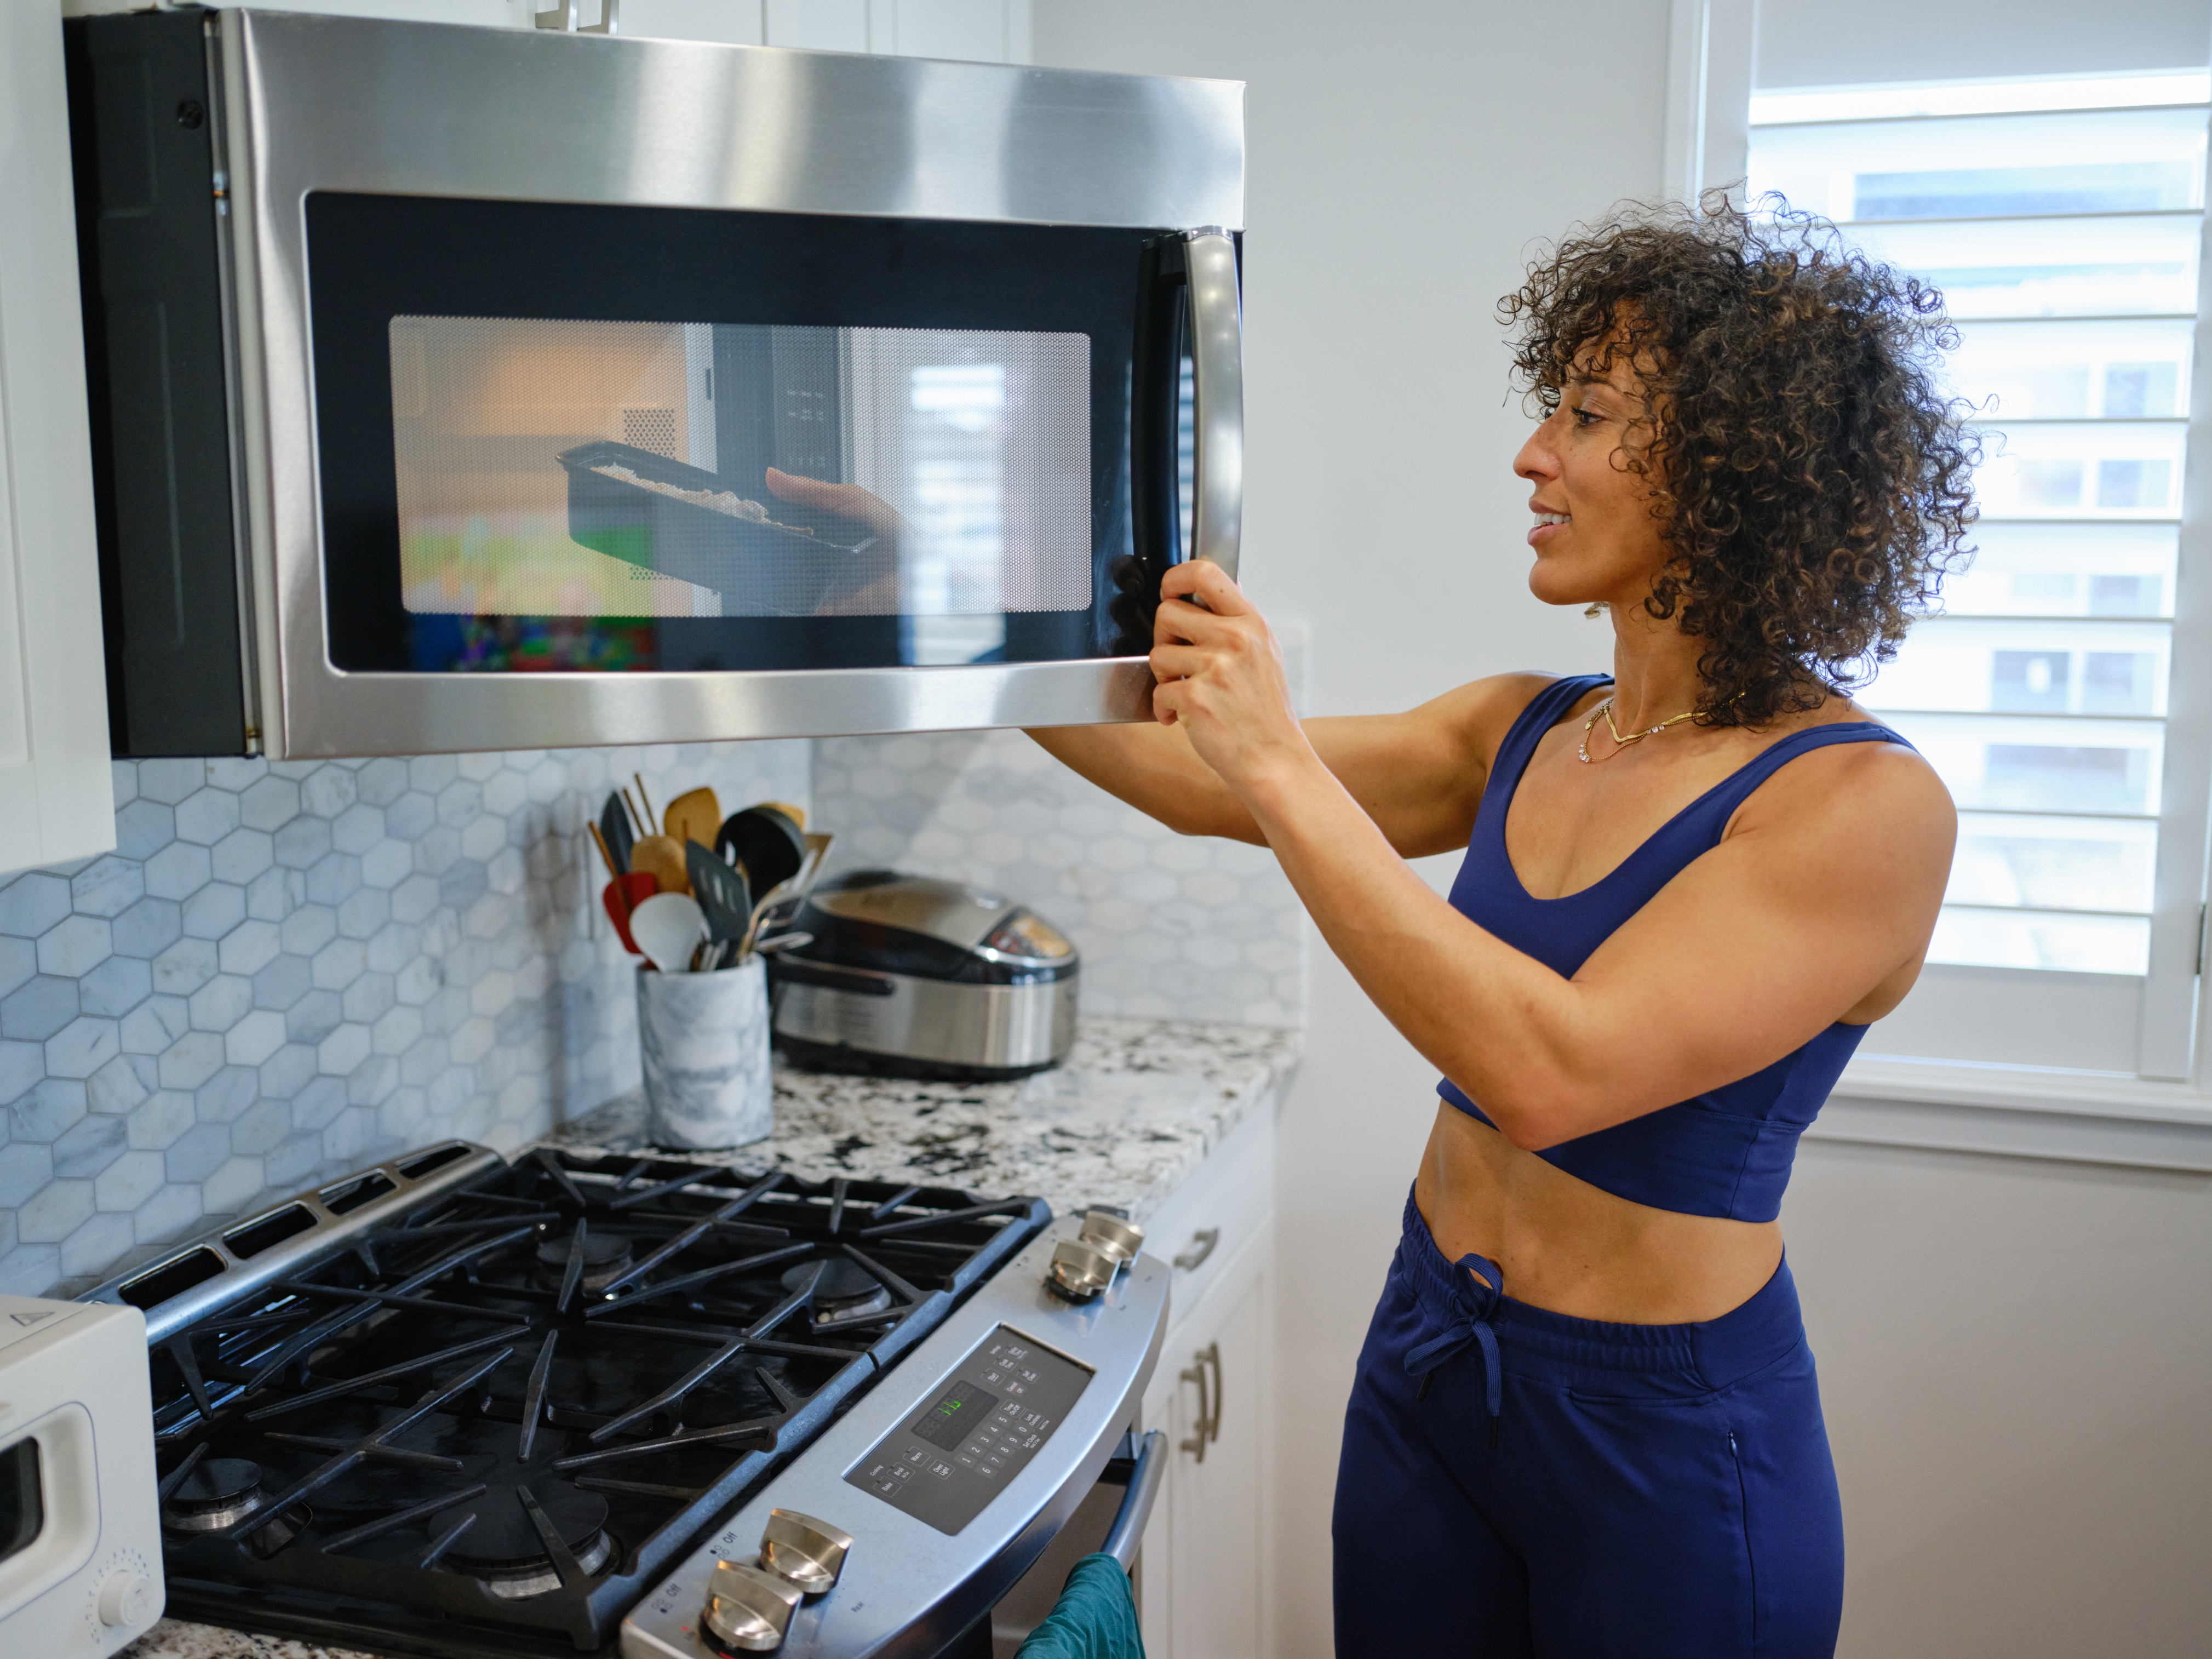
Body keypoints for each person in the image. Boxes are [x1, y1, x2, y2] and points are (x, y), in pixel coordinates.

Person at [1027, 201, 1973, 1658]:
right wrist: (931, 621)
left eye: (1590, 416)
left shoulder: (1862, 807)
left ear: (1735, 470)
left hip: (1664, 1442)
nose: (1534, 455)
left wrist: (1277, 759)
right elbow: (1183, 775)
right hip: (1430, 1363)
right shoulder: (1522, 727)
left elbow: (1553, 1070)